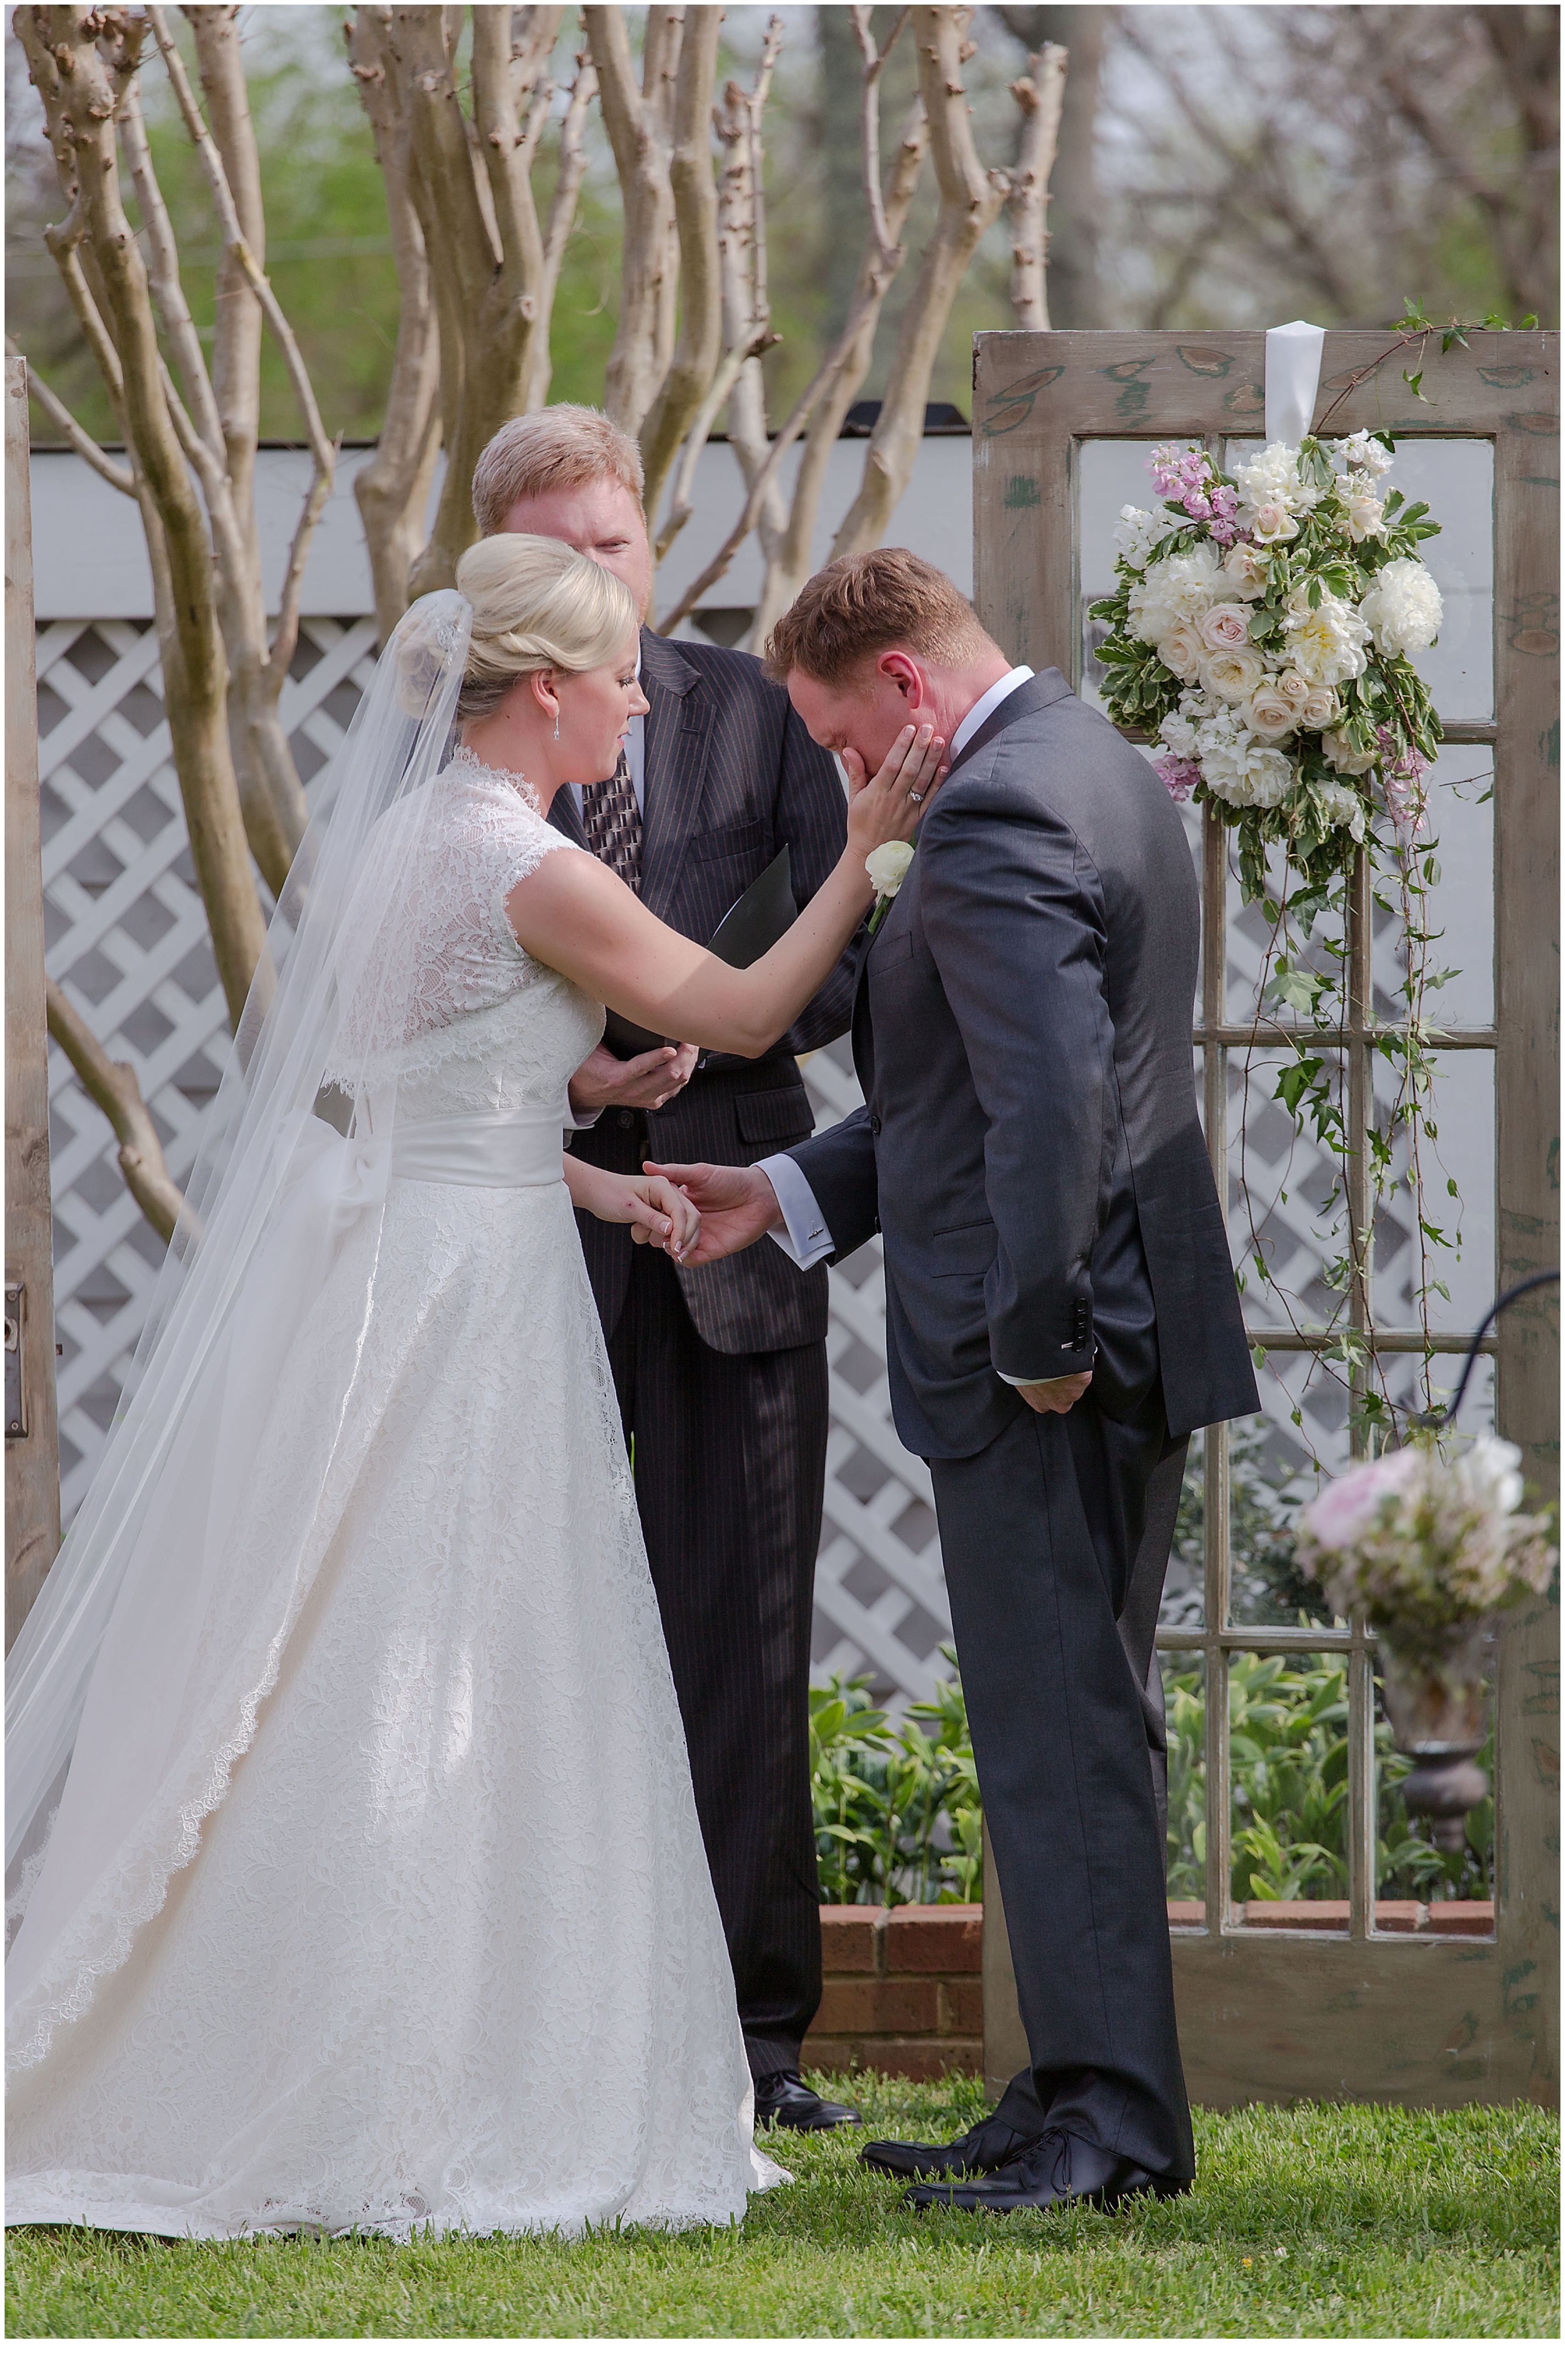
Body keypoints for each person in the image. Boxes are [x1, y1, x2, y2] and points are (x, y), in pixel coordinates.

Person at [4, 535, 937, 2240]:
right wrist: (864, 853)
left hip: (426, 1257)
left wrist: (590, 1167)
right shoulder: (528, 860)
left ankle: (353, 2019)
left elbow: (416, 1096)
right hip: (470, 1310)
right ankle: (403, 2063)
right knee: (451, 1664)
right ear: (548, 692)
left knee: (381, 1654)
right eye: (620, 676)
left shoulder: (402, 842)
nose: (645, 696)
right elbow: (738, 1015)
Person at [654, 549, 1261, 2216]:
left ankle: (1111, 2124)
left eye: (846, 747)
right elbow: (952, 1098)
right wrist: (779, 1197)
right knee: (1068, 1727)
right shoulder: (1084, 756)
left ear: (907, 694)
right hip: (1113, 1320)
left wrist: (1037, 1338)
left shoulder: (991, 815)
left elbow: (1055, 1109)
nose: (849, 783)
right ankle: (1075, 2084)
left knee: (1058, 1733)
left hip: (1052, 1354)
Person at [471, 408, 863, 2129]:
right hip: (515, 1233)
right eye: (556, 548)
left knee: (740, 1627)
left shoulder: (755, 709)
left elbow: (849, 949)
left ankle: (750, 2041)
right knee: (512, 1634)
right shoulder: (450, 734)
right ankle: (531, 2013)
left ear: (656, 542)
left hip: (732, 1219)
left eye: (613, 545)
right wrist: (560, 1065)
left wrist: (697, 1031)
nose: (594, 578)